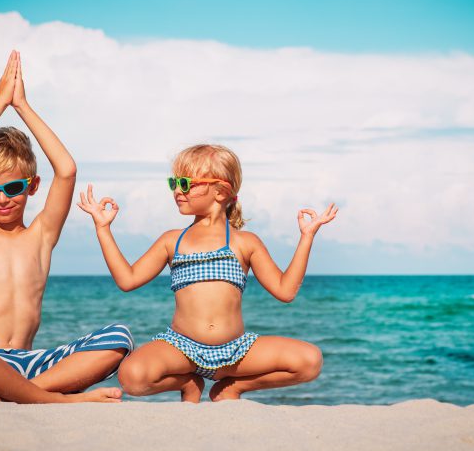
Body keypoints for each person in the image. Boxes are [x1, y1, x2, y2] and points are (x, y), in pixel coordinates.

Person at [0, 50, 133, 404]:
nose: (1, 199)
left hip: (29, 365)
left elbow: (67, 169)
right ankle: (60, 401)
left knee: (119, 338)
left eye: (12, 188)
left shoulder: (41, 236)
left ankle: (19, 394)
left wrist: (23, 107)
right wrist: (0, 102)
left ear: (32, 186)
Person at [77, 143, 337, 402]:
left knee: (310, 361)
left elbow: (286, 290)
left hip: (237, 351)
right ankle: (189, 384)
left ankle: (232, 389)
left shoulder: (245, 242)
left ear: (221, 191)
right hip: (181, 348)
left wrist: (307, 237)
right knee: (132, 375)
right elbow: (127, 279)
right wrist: (103, 229)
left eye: (186, 184)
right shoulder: (172, 240)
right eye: (174, 183)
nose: (178, 190)